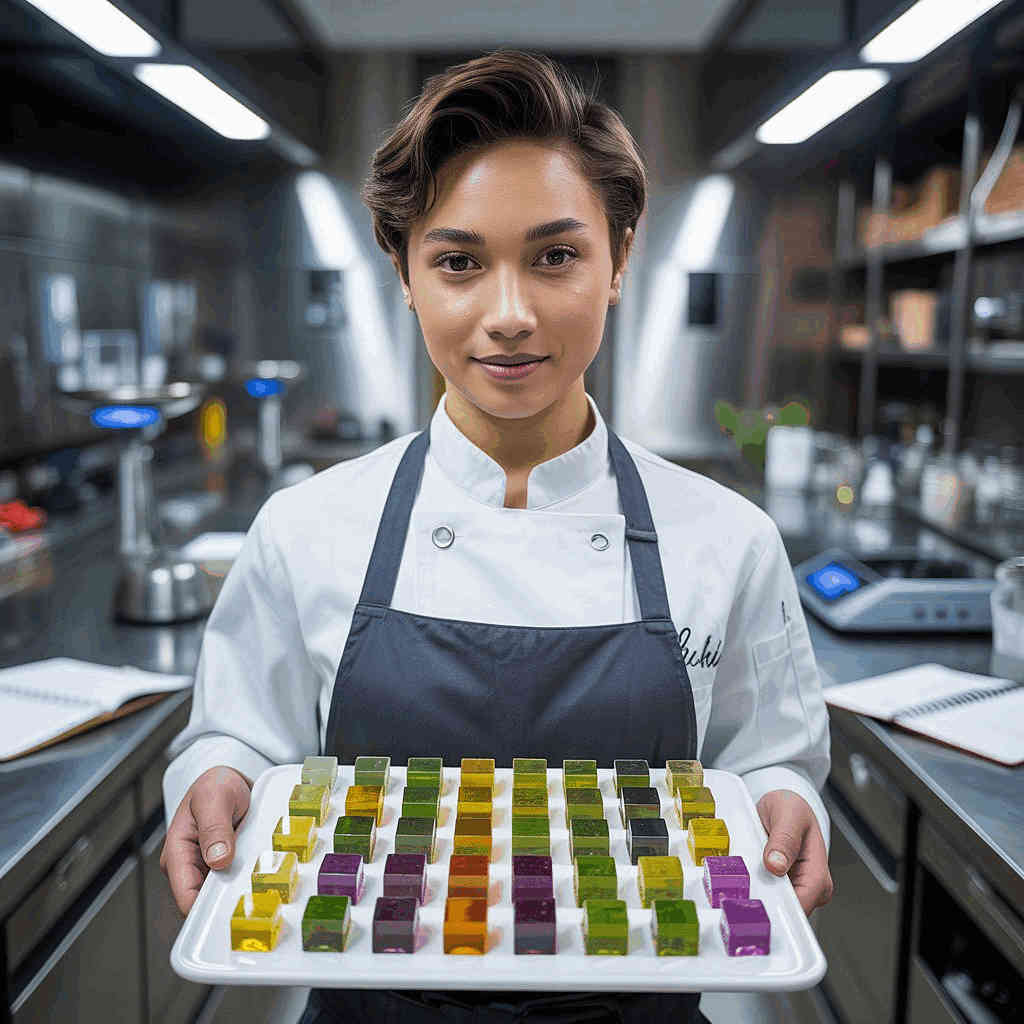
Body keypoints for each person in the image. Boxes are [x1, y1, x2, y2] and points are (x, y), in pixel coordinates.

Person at [160, 48, 833, 1024]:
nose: (509, 315)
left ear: (619, 260)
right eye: (459, 261)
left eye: (556, 255)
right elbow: (239, 729)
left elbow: (769, 754)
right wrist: (215, 774)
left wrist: (784, 802)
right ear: (403, 273)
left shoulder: (727, 538)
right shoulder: (307, 528)